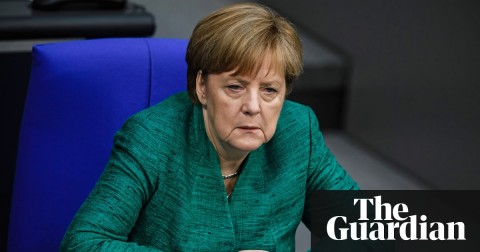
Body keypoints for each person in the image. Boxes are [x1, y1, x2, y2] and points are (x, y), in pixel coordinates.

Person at [60, 3, 359, 251]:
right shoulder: (151, 138)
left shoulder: (298, 131)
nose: (253, 106)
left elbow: (367, 227)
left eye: (269, 90)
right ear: (202, 86)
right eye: (235, 87)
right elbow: (83, 243)